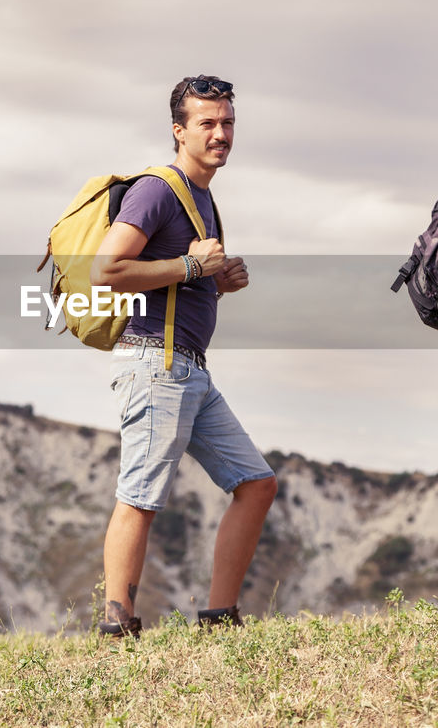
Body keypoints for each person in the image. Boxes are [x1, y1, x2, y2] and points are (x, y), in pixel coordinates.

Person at [88, 75, 278, 635]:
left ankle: (220, 618)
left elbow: (170, 277)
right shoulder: (157, 189)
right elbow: (107, 269)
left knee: (257, 483)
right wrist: (194, 267)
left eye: (228, 123)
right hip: (155, 364)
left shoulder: (203, 198)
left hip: (188, 369)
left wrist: (217, 283)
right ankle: (117, 629)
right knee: (141, 497)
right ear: (179, 131)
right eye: (208, 124)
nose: (221, 134)